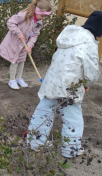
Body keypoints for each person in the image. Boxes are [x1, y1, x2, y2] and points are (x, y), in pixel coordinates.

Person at [27, 11, 102, 158]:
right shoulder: (89, 45)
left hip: (52, 82)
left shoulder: (67, 36)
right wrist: (87, 83)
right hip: (71, 87)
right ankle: (70, 150)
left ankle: (35, 143)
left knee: (43, 113)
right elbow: (91, 72)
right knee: (72, 118)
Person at [0, 0, 52, 89]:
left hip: (25, 44)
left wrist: (30, 46)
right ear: (37, 11)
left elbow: (35, 35)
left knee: (22, 60)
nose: (43, 18)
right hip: (14, 42)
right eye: (42, 15)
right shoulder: (24, 15)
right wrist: (18, 32)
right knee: (14, 60)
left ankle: (19, 78)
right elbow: (10, 22)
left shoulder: (39, 22)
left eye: (45, 16)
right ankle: (12, 80)